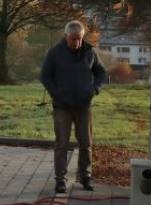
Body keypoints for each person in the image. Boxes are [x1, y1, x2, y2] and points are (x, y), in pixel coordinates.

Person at [40, 20, 106, 193]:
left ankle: (85, 177)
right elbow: (45, 76)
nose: (76, 42)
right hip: (62, 106)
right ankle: (60, 179)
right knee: (62, 143)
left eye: (79, 38)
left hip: (84, 106)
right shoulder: (55, 53)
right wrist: (56, 93)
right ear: (66, 36)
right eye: (73, 39)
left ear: (83, 36)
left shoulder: (90, 52)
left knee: (86, 143)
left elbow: (101, 72)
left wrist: (95, 89)